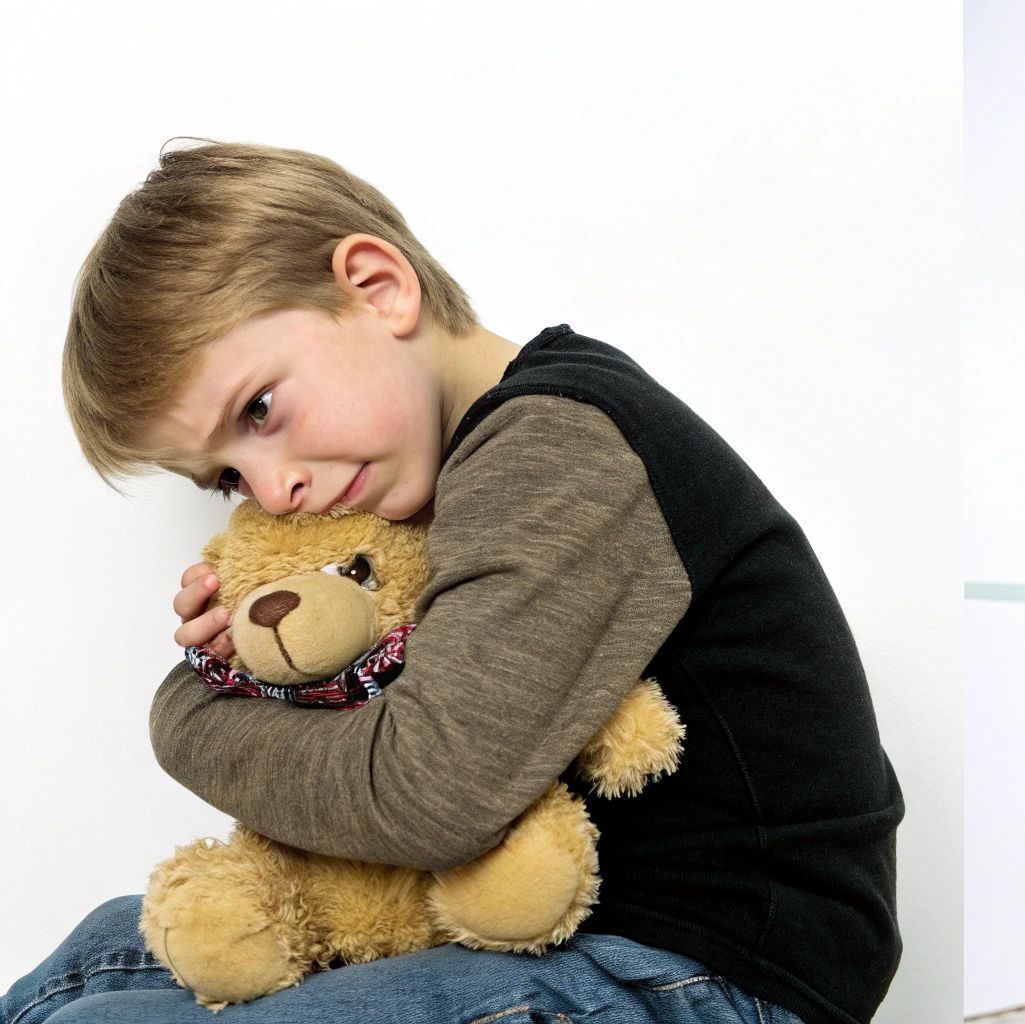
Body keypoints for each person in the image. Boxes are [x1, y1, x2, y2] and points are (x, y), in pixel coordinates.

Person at [6, 140, 902, 1024]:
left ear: (378, 287)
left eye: (261, 411)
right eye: (229, 478)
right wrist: (256, 662)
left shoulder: (555, 448)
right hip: (559, 932)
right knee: (99, 957)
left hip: (720, 970)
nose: (274, 489)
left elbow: (424, 796)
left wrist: (191, 713)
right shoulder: (441, 483)